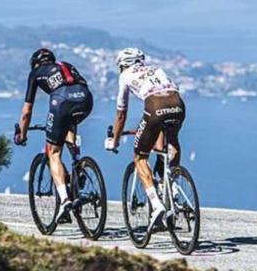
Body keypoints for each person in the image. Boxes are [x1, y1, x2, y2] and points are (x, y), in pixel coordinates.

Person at [105, 47, 186, 230]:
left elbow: (121, 114)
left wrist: (115, 140)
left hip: (155, 106)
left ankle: (156, 204)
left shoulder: (125, 75)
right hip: (177, 104)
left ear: (123, 64)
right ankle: (171, 186)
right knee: (171, 141)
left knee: (140, 157)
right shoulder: (157, 69)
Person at [14, 47, 94, 218]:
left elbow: (27, 111)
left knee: (53, 152)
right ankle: (77, 162)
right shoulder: (67, 65)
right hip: (86, 100)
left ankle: (65, 200)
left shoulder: (36, 72)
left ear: (35, 64)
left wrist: (22, 134)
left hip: (62, 101)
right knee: (68, 125)